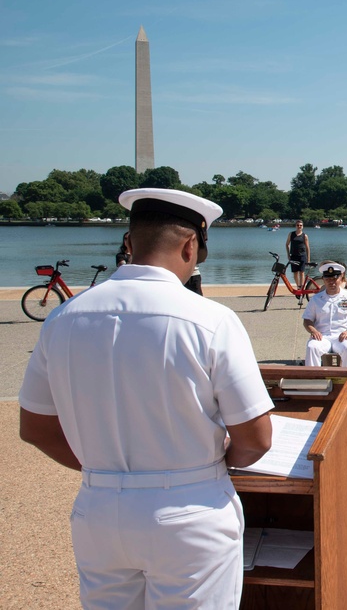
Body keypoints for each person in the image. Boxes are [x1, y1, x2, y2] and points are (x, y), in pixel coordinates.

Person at [19, 187, 273, 608]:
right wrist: (220, 460)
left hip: (99, 507)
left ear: (129, 243)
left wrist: (108, 471)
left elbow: (36, 428)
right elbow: (257, 438)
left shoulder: (64, 318)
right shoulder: (210, 320)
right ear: (191, 245)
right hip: (189, 505)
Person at [303, 261, 347, 367]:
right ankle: (313, 379)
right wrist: (313, 330)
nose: (331, 282)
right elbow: (307, 319)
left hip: (342, 336)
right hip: (322, 336)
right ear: (323, 280)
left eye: (334, 278)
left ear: (340, 278)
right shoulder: (316, 299)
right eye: (328, 279)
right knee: (312, 347)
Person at [286, 220, 311, 290]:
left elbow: (307, 248)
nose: (299, 226)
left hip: (302, 256)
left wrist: (308, 259)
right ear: (295, 226)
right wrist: (288, 255)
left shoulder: (304, 236)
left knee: (302, 272)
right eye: (297, 225)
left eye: (300, 225)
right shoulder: (291, 234)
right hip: (293, 255)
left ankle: (302, 287)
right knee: (295, 273)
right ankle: (298, 286)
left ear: (302, 227)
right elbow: (287, 244)